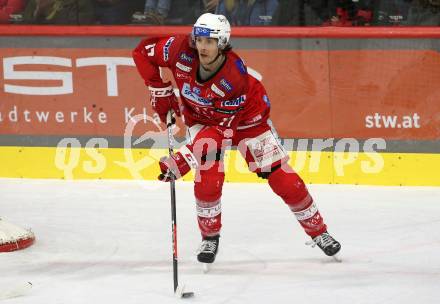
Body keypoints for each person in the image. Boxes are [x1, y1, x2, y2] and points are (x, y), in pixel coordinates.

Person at [132, 13, 341, 265]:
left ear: (222, 43)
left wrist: (184, 159)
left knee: (283, 179)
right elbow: (142, 52)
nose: (202, 47)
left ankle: (320, 232)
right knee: (208, 181)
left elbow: (222, 133)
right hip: (202, 119)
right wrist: (157, 87)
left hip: (246, 119)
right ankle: (210, 237)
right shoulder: (179, 49)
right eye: (199, 40)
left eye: (210, 42)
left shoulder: (233, 77)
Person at [23, 0, 95, 24]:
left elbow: (81, 24)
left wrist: (51, 13)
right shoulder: (34, 2)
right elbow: (19, 24)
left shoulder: (81, 3)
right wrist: (38, 11)